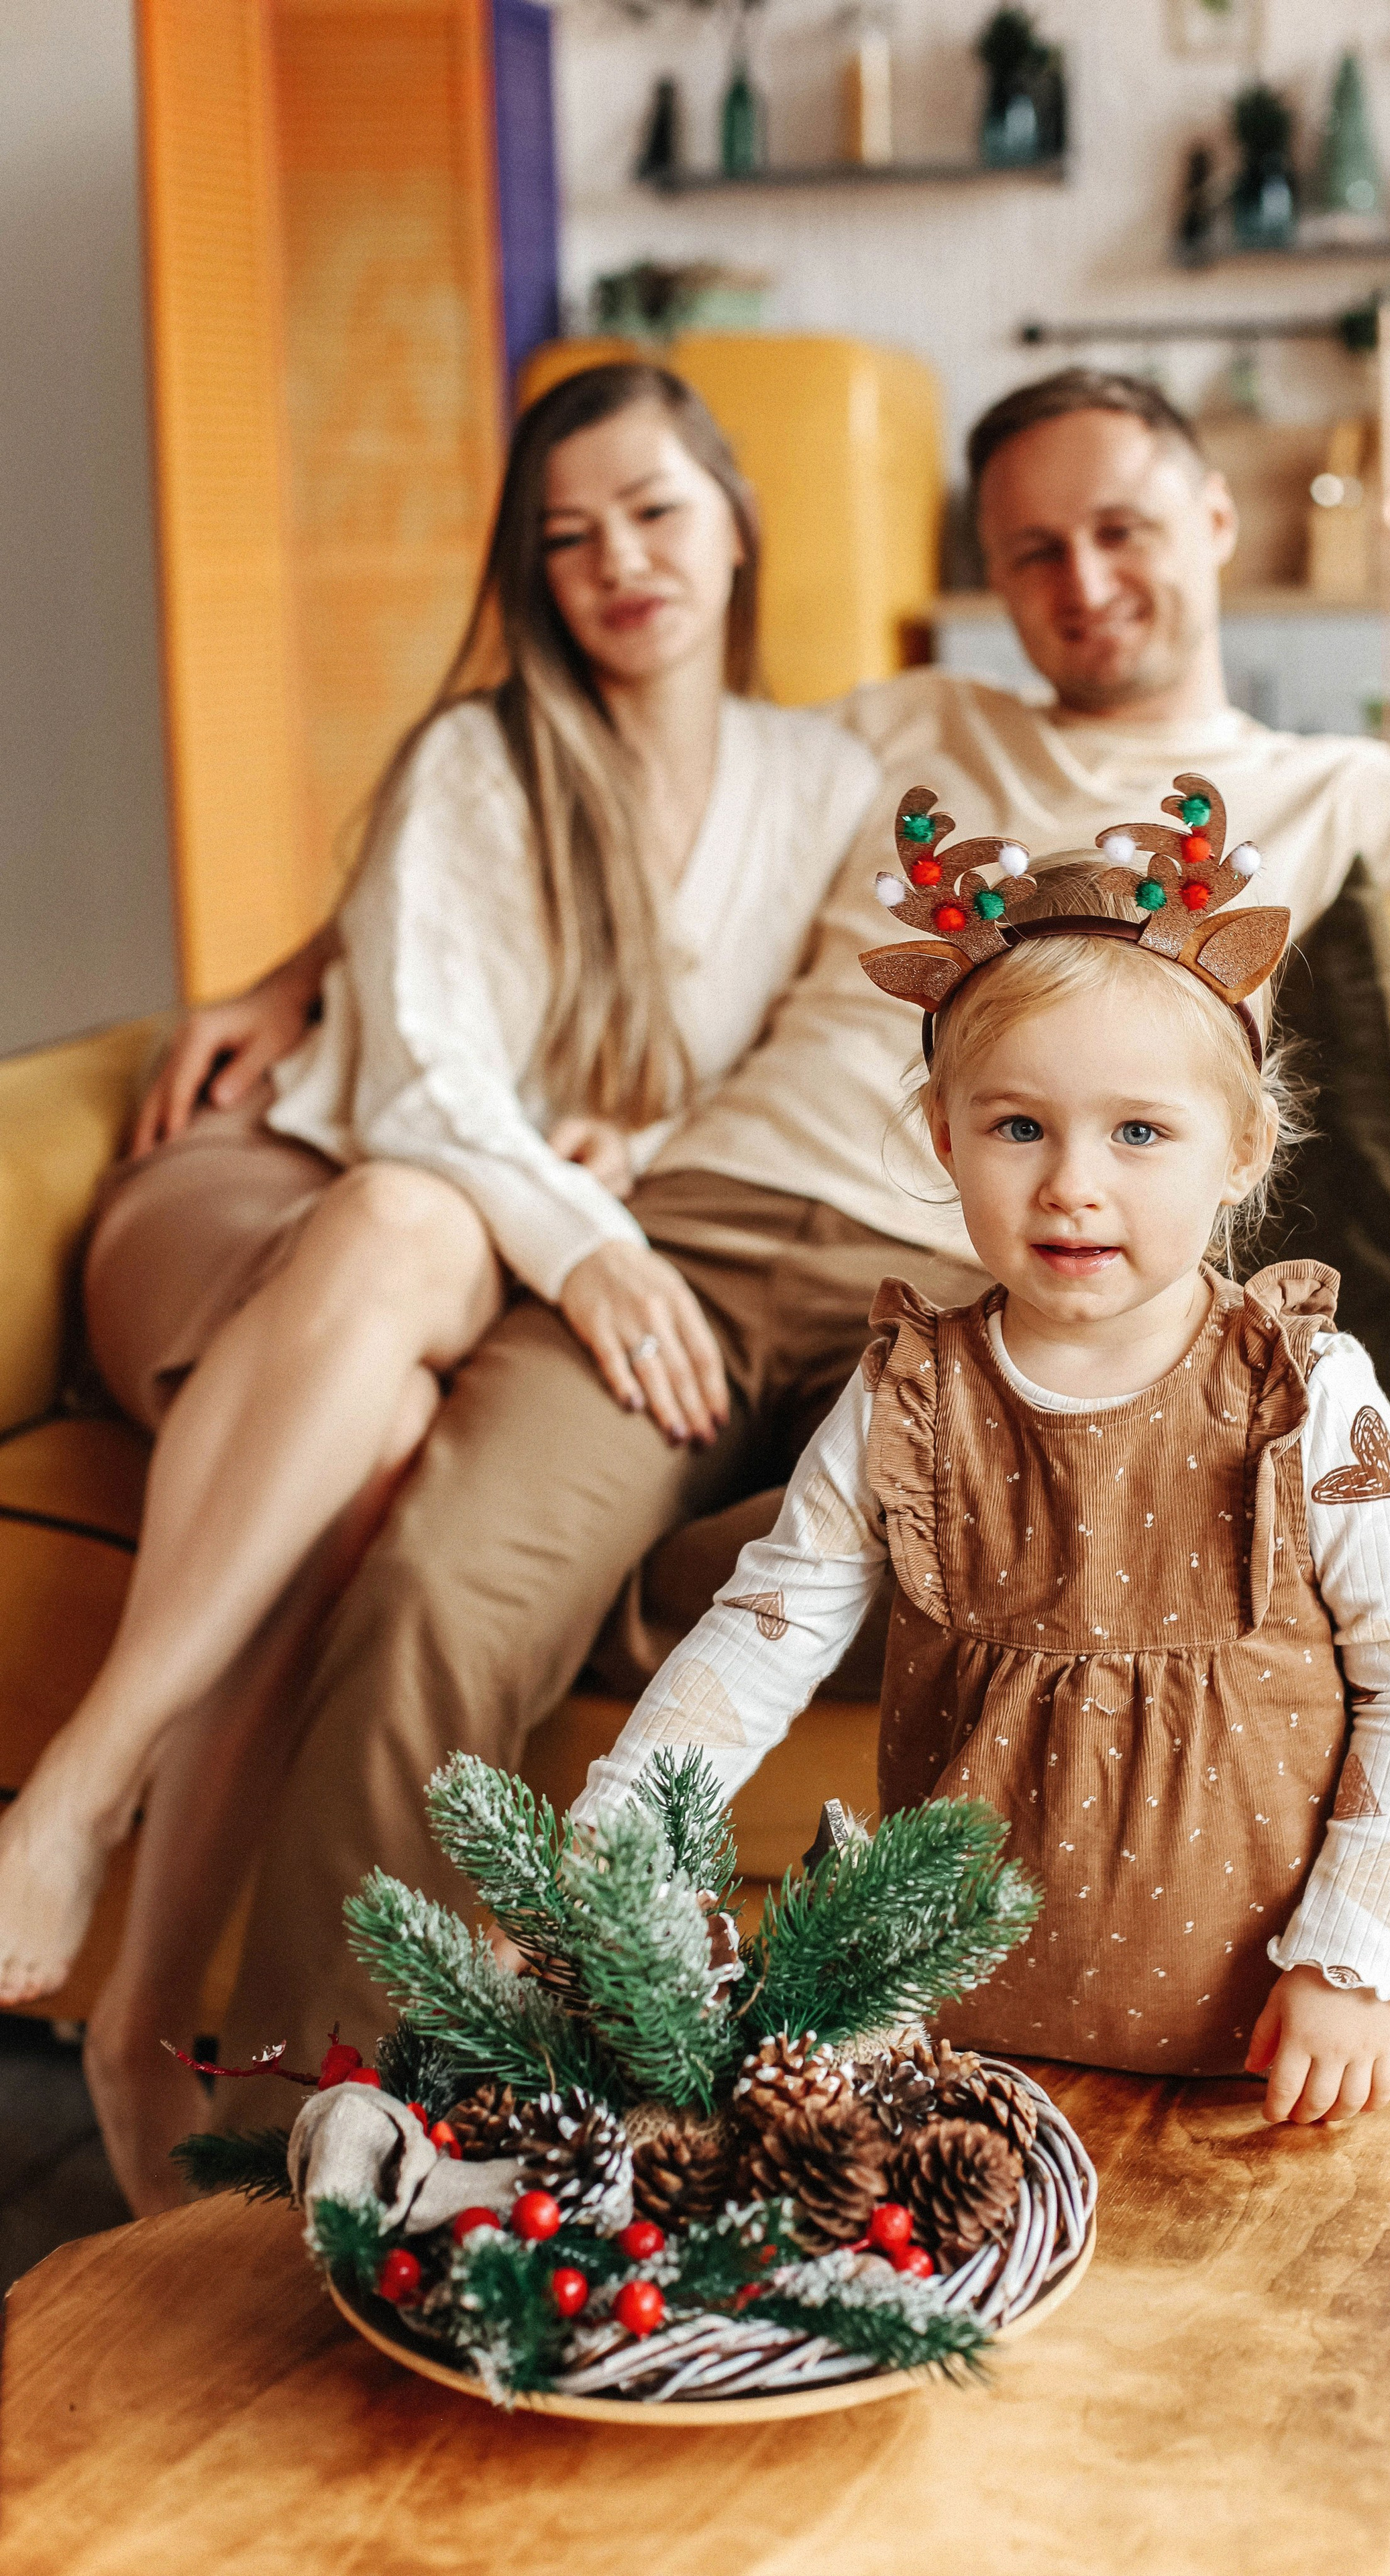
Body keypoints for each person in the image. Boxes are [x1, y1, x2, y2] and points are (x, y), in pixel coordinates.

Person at [135, 366, 1390, 2135]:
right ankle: (306, 2130)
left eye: (1121, 529)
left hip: (985, 1295)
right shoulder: (892, 726)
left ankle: (632, 1872)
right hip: (700, 1241)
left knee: (863, 1580)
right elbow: (591, 802)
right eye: (1032, 550)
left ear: (1212, 520)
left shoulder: (1332, 784)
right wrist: (300, 982)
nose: (1083, 582)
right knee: (442, 1576)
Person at [0, 360, 912, 2210]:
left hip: (451, 1279)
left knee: (388, 1475)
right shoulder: (483, 756)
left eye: (656, 512)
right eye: (567, 536)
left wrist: (615, 1190)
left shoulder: (833, 780)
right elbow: (421, 1082)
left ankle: (146, 2024)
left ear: (737, 524)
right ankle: (79, 1790)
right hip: (282, 1195)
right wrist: (592, 1242)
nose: (619, 562)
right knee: (417, 1214)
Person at [573, 784, 1390, 2121]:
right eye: (1017, 1128)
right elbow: (758, 1633)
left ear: (1239, 1150)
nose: (1070, 1183)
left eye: (1136, 1132)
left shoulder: (1303, 1394)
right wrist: (605, 1850)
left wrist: (1350, 1955)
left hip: (1259, 2038)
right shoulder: (909, 1398)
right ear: (943, 1137)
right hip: (947, 2037)